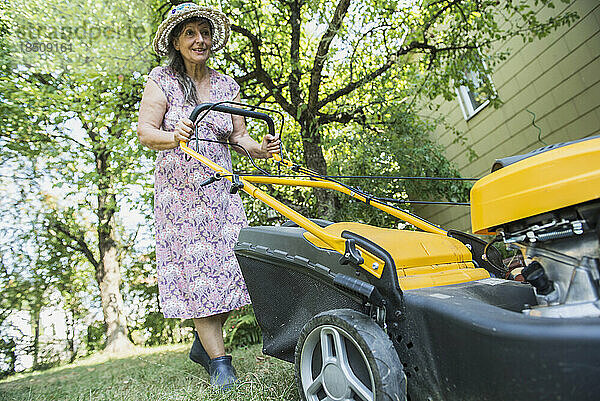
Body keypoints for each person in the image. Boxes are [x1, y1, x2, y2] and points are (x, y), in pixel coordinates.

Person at [137, 2, 280, 390]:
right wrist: (174, 135)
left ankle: (204, 345)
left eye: (204, 32)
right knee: (198, 277)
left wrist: (260, 149)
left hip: (221, 189)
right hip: (180, 194)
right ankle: (220, 363)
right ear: (176, 41)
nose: (199, 40)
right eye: (190, 33)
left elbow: (238, 136)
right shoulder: (161, 80)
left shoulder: (226, 85)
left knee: (234, 273)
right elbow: (147, 133)